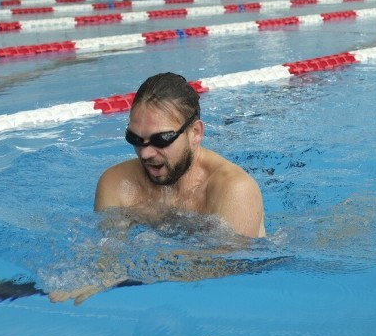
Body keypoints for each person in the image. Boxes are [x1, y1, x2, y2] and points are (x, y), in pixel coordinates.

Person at [94, 72, 266, 238]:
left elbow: (229, 265)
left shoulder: (235, 189)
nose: (145, 153)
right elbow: (106, 258)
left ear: (195, 133)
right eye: (135, 138)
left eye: (161, 139)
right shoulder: (118, 183)